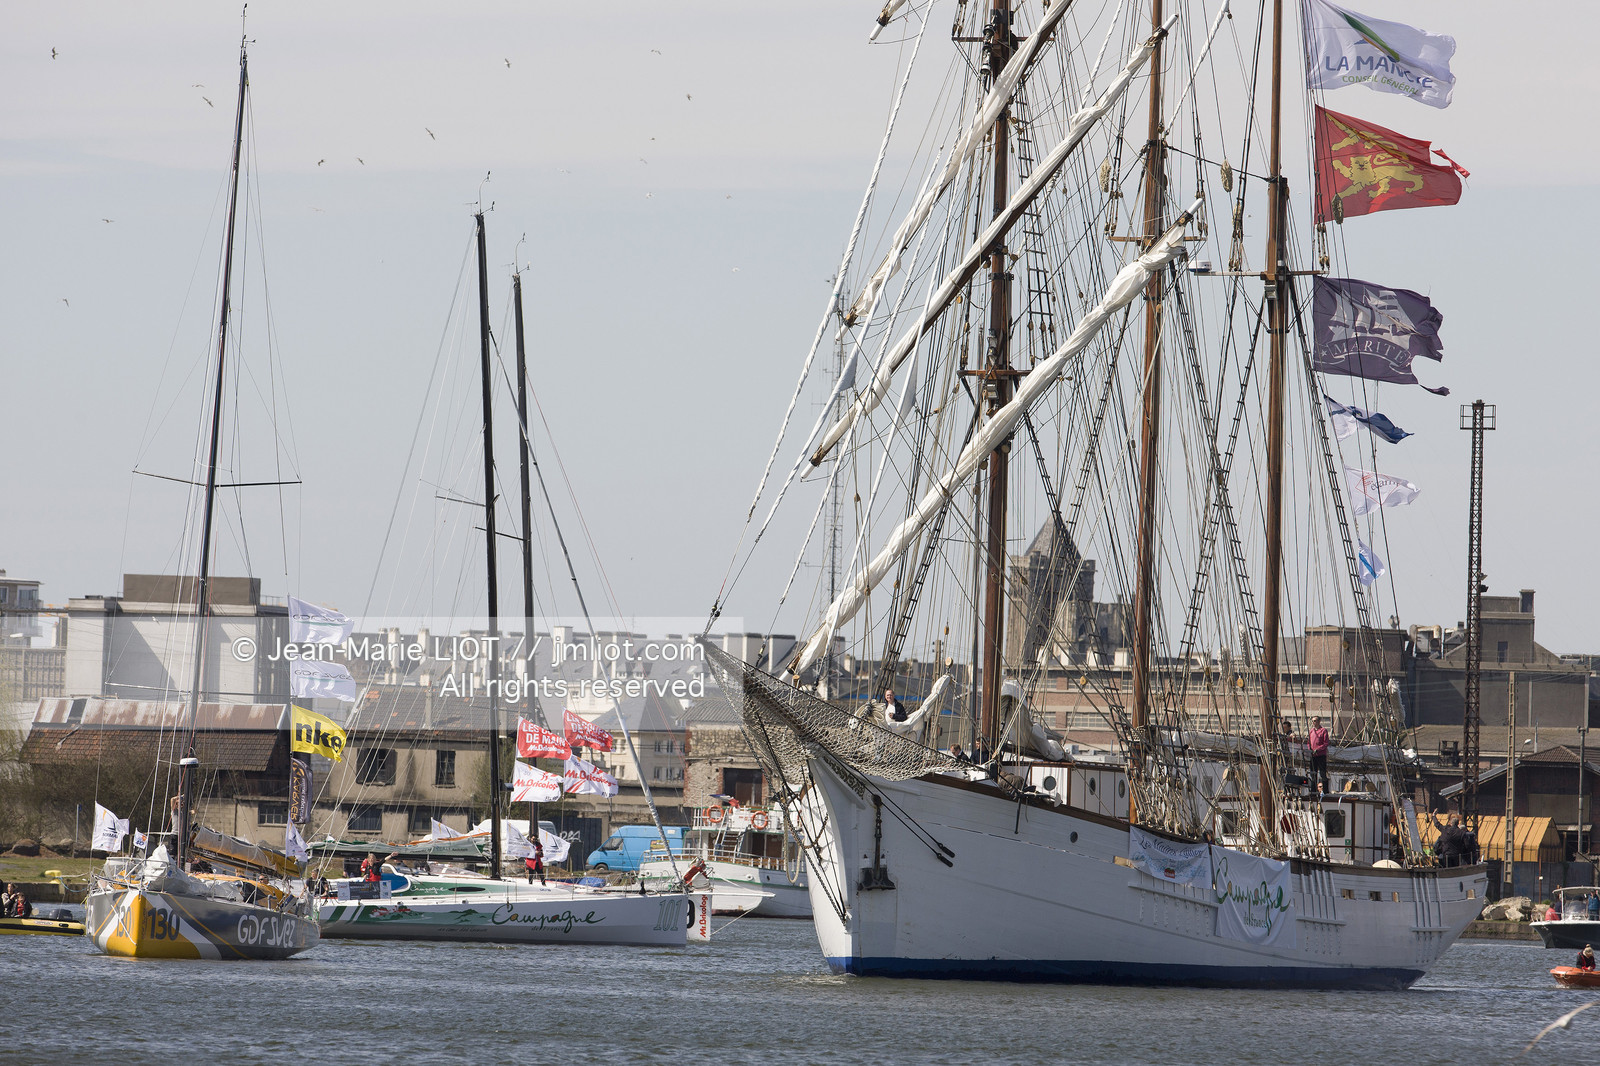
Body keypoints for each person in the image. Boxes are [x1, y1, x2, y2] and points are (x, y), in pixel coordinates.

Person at [1307, 716, 1330, 795]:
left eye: (1315, 721)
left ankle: (1326, 791)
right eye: (1312, 721)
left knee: (1322, 773)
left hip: (1321, 755)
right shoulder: (1311, 731)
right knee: (1313, 773)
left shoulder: (1323, 731)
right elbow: (1308, 742)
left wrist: (1318, 749)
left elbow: (1326, 743)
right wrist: (1310, 748)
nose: (1313, 722)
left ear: (1319, 721)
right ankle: (1313, 791)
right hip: (1313, 755)